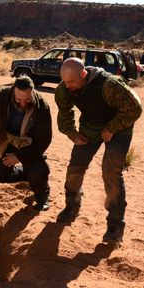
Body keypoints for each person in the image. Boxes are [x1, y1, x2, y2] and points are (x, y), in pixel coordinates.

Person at [55, 58, 142, 244]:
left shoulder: (109, 84)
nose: (67, 85)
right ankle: (71, 206)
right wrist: (73, 134)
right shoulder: (64, 88)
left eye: (71, 81)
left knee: (111, 172)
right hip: (90, 127)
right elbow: (64, 113)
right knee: (75, 168)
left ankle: (115, 227)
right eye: (65, 81)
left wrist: (111, 128)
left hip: (119, 129)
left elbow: (135, 109)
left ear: (83, 74)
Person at [0, 76, 52, 211]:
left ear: (32, 92)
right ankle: (28, 174)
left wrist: (20, 157)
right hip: (8, 140)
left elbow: (44, 140)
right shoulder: (1, 95)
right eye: (19, 100)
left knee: (38, 171)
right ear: (13, 90)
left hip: (29, 144)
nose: (23, 103)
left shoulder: (42, 106)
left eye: (27, 100)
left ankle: (42, 197)